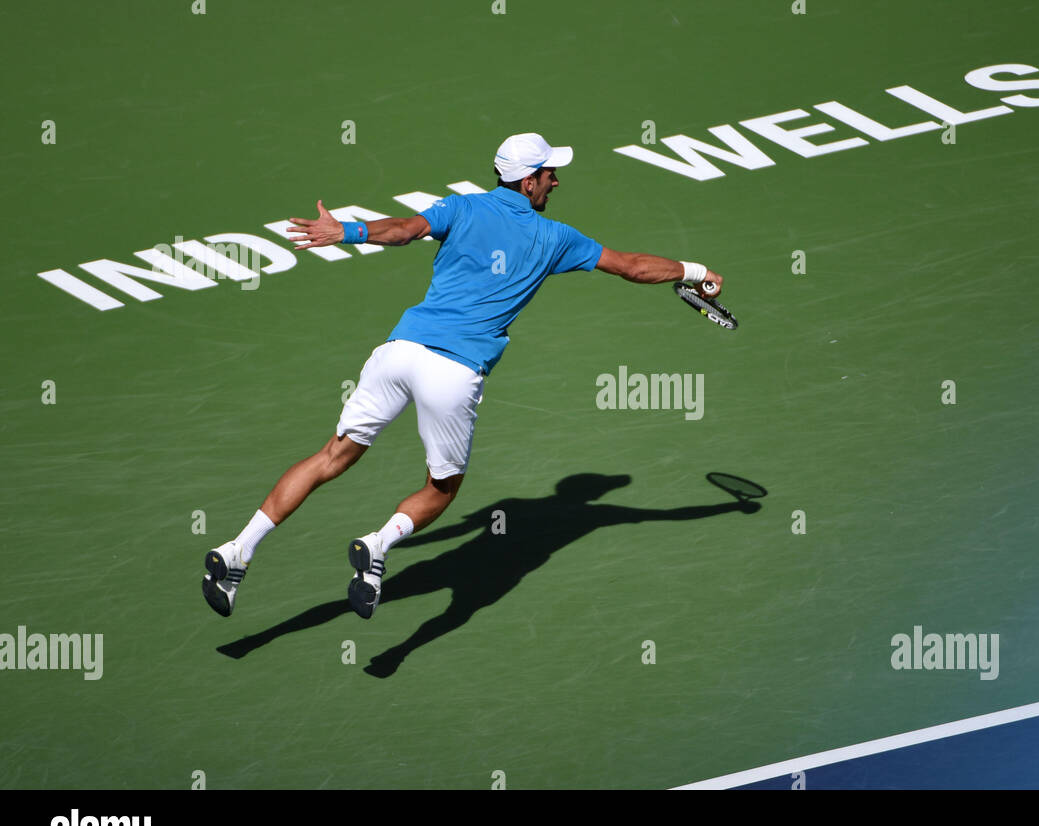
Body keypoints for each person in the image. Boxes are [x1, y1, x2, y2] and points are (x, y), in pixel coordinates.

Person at [201, 132, 725, 621]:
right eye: (549, 174)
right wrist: (697, 272)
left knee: (332, 456)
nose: (556, 182)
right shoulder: (555, 237)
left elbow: (403, 232)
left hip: (399, 351)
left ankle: (236, 551)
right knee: (442, 488)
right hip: (452, 373)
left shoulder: (462, 206)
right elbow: (633, 266)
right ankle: (378, 546)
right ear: (529, 182)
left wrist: (347, 231)